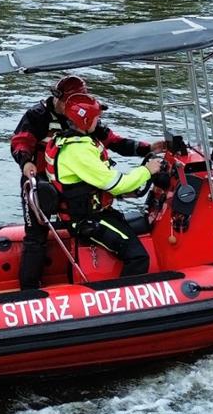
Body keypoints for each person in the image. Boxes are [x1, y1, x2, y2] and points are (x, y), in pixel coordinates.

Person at [19, 92, 163, 289]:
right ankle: (120, 303)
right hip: (88, 218)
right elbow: (116, 183)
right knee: (138, 257)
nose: (100, 120)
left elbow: (108, 158)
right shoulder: (78, 151)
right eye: (96, 117)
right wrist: (147, 171)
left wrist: (147, 150)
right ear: (85, 121)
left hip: (90, 210)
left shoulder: (67, 140)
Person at [10, 76, 149, 179]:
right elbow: (21, 142)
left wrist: (148, 149)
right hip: (40, 178)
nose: (64, 105)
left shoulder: (85, 120)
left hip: (72, 181)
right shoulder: (37, 116)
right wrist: (26, 163)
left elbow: (114, 141)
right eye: (63, 101)